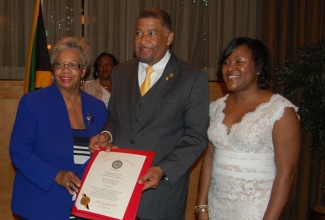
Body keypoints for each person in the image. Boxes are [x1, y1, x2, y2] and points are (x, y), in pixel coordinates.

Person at [89, 8, 210, 220]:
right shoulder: (121, 72)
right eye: (138, 33)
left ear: (169, 37)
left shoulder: (192, 78)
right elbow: (114, 118)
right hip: (117, 192)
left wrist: (163, 169)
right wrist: (106, 136)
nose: (143, 40)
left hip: (161, 197)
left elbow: (196, 137)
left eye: (152, 33)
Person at [196, 37, 301, 220]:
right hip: (217, 207)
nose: (230, 68)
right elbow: (210, 157)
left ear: (259, 68)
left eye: (239, 61)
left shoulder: (280, 112)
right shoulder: (216, 107)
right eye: (226, 63)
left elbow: (286, 174)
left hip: (256, 210)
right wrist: (201, 207)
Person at [9, 37, 108, 219]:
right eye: (59, 64)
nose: (65, 70)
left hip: (87, 204)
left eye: (73, 65)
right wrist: (56, 175)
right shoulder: (33, 103)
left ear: (84, 71)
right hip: (43, 203)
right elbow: (19, 151)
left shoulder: (98, 107)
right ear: (53, 69)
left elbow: (103, 150)